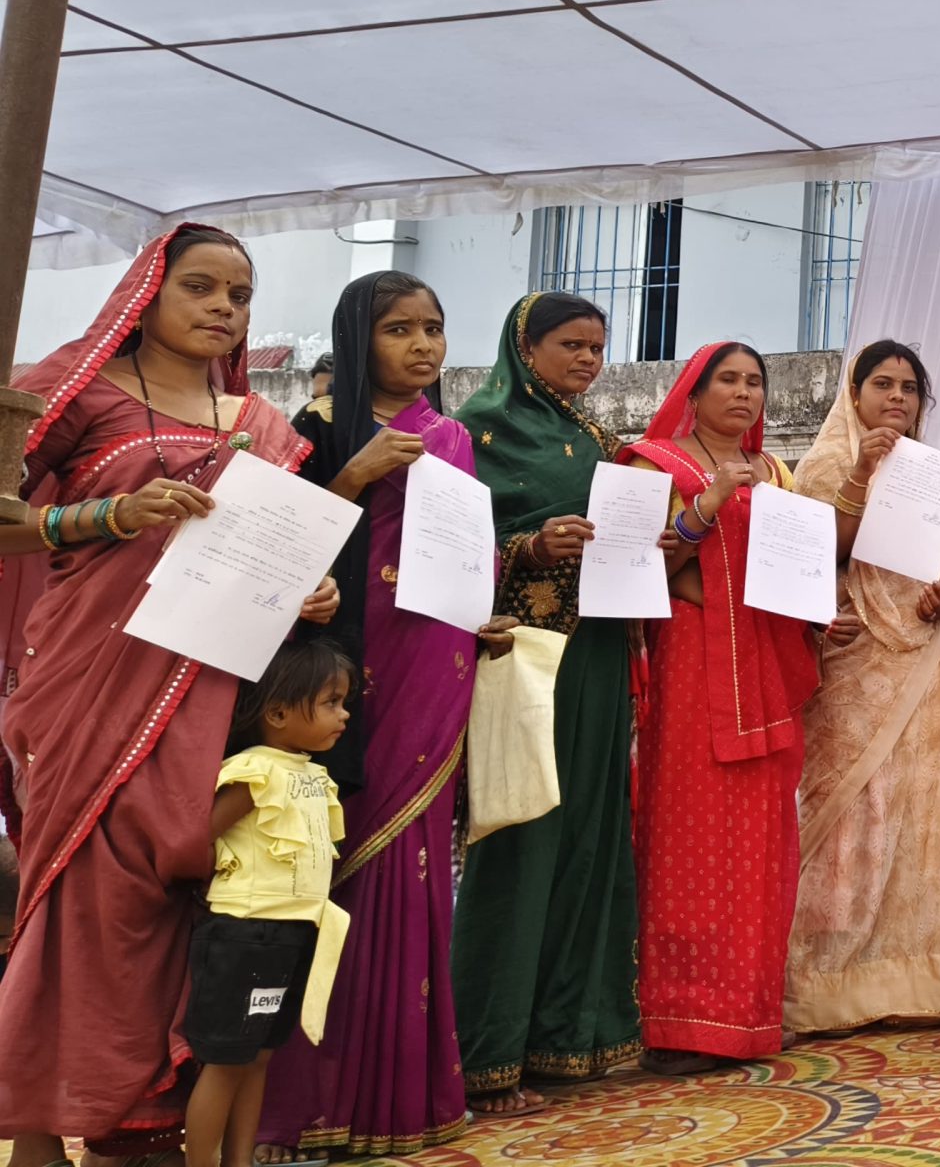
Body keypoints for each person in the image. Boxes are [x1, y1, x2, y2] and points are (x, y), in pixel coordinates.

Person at [0, 226, 339, 1167]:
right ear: (146, 294)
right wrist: (106, 514)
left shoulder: (260, 423)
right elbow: (6, 521)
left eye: (239, 293)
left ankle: (141, 1124)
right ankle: (38, 1130)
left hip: (210, 693)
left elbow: (265, 556)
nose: (223, 307)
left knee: (183, 895)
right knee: (82, 904)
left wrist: (309, 590)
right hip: (87, 684)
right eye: (200, 287)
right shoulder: (80, 391)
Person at [258, 272, 515, 1160]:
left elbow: (462, 551)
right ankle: (312, 1099)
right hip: (346, 666)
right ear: (358, 336)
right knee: (335, 859)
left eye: (433, 328)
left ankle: (399, 1098)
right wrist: (353, 475)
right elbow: (279, 547)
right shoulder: (315, 427)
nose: (422, 345)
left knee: (418, 861)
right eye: (399, 328)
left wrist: (480, 612)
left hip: (436, 658)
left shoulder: (453, 436)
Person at [449, 293, 641, 1118]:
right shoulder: (474, 433)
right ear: (524, 347)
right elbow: (444, 546)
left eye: (597, 347)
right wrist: (527, 545)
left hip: (596, 653)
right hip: (523, 658)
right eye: (571, 345)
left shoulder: (597, 438)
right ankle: (486, 1053)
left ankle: (573, 1036)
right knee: (520, 839)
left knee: (590, 840)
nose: (588, 360)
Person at [622, 343, 818, 1072]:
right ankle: (679, 1022)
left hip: (764, 666)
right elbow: (636, 564)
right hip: (692, 663)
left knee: (763, 842)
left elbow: (794, 570)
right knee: (686, 833)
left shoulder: (777, 473)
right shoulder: (655, 465)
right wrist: (703, 509)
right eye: (727, 380)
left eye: (754, 382)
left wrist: (821, 613)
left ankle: (749, 1017)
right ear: (693, 393)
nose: (744, 393)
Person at [789, 340, 940, 1029]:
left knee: (914, 807)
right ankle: (826, 979)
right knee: (850, 808)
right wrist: (863, 472)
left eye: (909, 387)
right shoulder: (820, 468)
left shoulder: (936, 472)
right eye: (882, 384)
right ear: (854, 394)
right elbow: (825, 550)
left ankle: (910, 975)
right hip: (851, 659)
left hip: (922, 657)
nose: (897, 397)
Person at [188, 640, 353, 1167]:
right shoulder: (254, 771)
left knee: (258, 1058)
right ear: (278, 713)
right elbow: (200, 839)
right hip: (245, 935)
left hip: (291, 935)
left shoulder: (313, 775)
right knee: (226, 1062)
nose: (344, 715)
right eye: (331, 702)